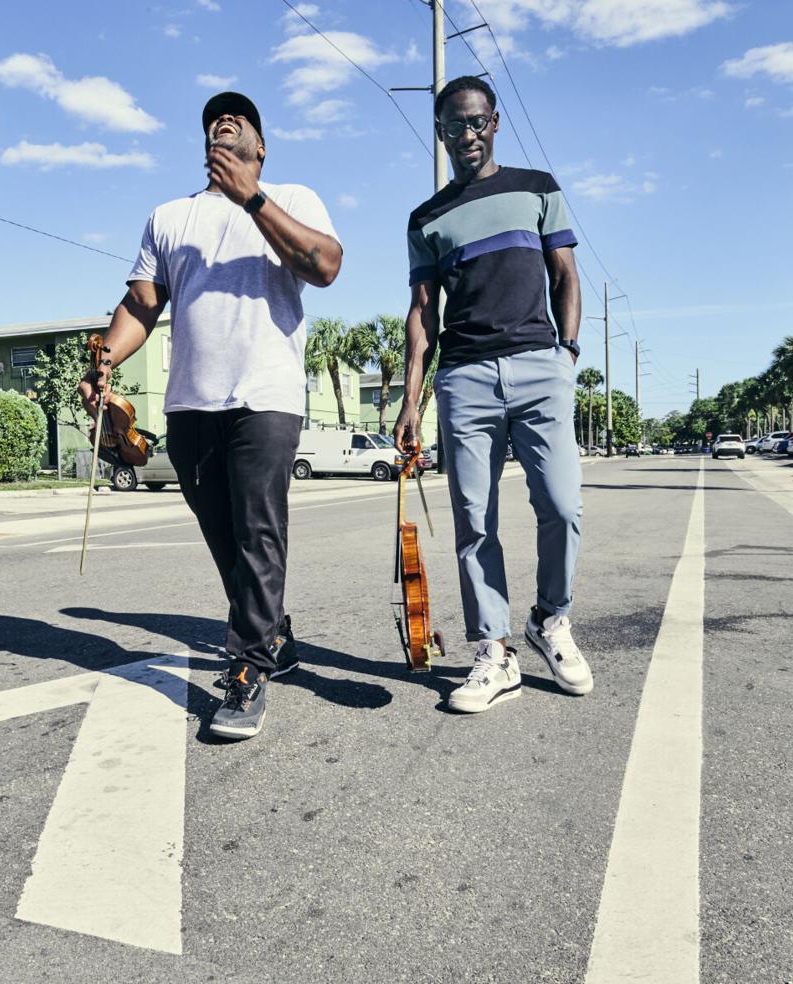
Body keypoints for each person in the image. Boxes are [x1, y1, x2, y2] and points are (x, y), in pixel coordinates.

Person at [78, 92, 342, 740]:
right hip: (191, 400)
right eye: (214, 121)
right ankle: (272, 632)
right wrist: (104, 358)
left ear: (260, 145)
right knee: (225, 539)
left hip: (267, 395)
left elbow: (325, 265)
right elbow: (142, 304)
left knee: (258, 534)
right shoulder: (169, 217)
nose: (224, 122)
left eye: (239, 119)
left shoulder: (294, 199)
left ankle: (248, 669)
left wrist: (252, 197)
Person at [393, 76, 592, 714]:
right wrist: (410, 400)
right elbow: (422, 312)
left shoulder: (537, 188)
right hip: (466, 378)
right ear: (440, 132)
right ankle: (493, 651)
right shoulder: (426, 219)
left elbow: (565, 274)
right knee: (475, 523)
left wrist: (567, 354)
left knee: (561, 506)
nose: (467, 136)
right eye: (455, 126)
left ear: (495, 123)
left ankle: (550, 620)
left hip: (540, 367)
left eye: (477, 123)